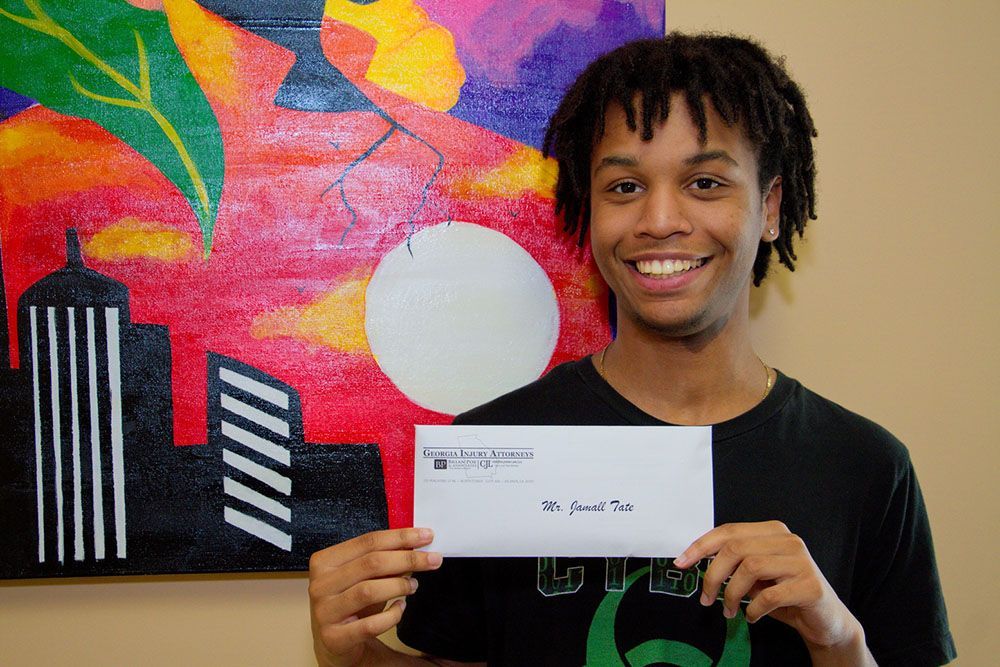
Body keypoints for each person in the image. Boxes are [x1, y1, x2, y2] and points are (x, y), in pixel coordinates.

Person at [307, 33, 955, 666]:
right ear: (589, 208)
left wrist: (838, 641)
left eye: (706, 182)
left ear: (771, 207)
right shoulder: (493, 449)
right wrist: (355, 659)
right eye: (624, 187)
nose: (660, 220)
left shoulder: (866, 468)